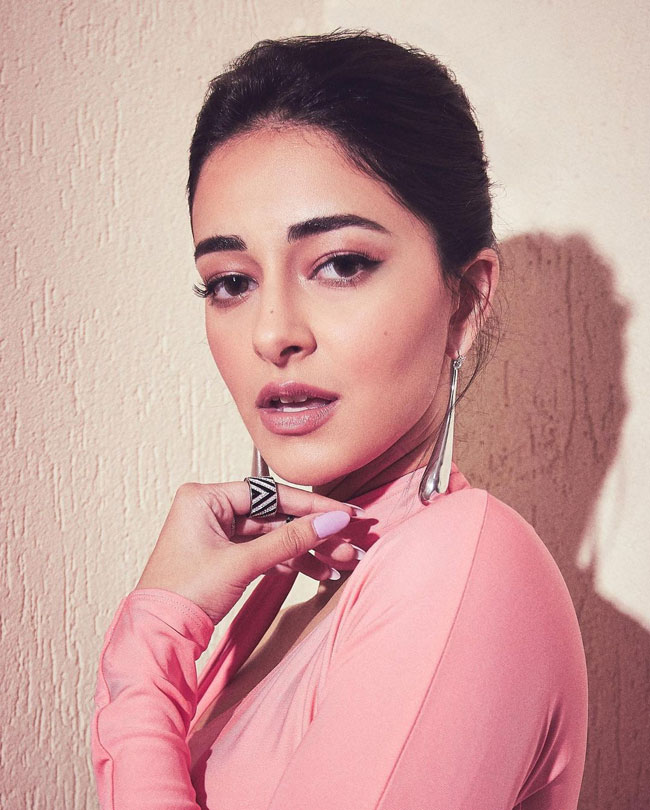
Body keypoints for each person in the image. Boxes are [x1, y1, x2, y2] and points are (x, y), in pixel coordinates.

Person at [90, 29, 588, 810]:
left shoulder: (463, 568)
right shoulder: (312, 592)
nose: (272, 332)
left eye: (342, 264)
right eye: (229, 282)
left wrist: (147, 659)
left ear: (465, 301)